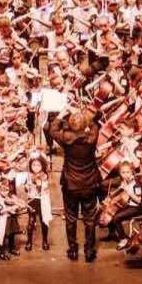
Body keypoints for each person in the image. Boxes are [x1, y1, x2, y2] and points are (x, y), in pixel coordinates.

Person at [46, 108, 102, 261]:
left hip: (70, 183)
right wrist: (86, 117)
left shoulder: (65, 138)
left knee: (70, 218)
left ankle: (73, 250)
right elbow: (96, 123)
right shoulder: (91, 137)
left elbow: (52, 129)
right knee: (89, 218)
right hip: (89, 182)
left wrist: (63, 112)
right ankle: (89, 251)